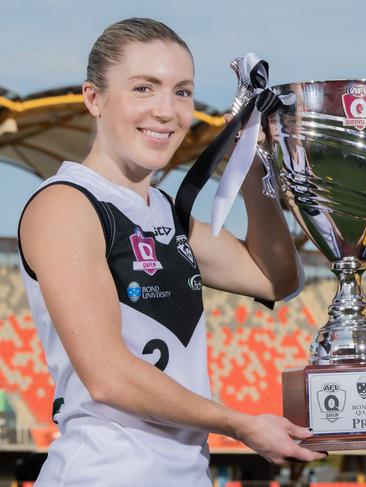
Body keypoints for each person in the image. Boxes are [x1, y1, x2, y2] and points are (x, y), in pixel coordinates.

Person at [17, 18, 324, 487]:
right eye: (144, 88)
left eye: (182, 91)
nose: (167, 110)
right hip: (103, 473)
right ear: (93, 98)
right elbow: (108, 377)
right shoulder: (66, 204)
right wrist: (240, 424)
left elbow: (276, 280)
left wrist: (249, 167)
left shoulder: (162, 210)